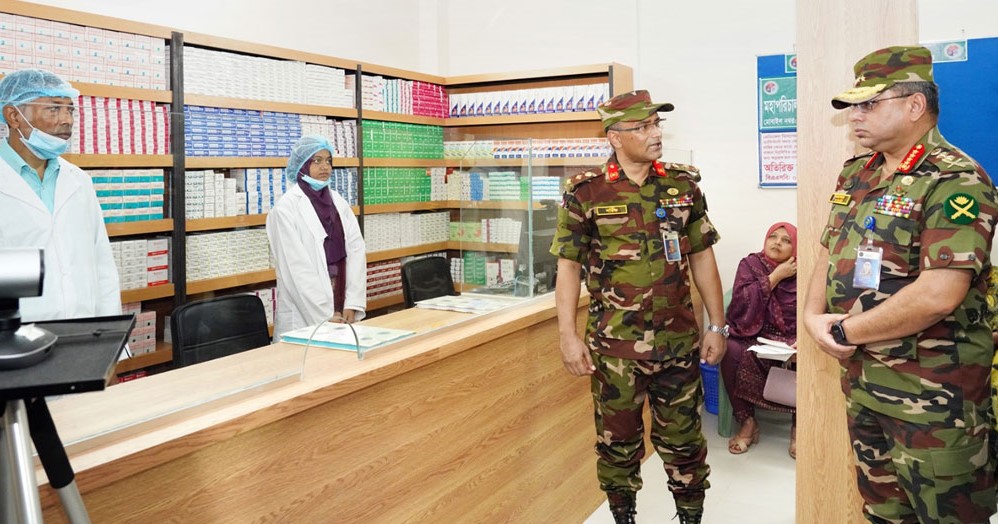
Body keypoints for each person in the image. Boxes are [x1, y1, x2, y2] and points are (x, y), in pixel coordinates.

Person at [803, 46, 997, 523]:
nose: (855, 116)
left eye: (869, 104)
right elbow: (829, 249)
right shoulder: (859, 171)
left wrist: (844, 331)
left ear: (915, 105)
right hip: (865, 384)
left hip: (935, 399)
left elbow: (938, 295)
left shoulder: (955, 179)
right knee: (884, 512)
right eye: (853, 106)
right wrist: (811, 316)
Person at [550, 90, 726, 524]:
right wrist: (568, 337)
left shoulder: (682, 186)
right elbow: (568, 267)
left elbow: (702, 256)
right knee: (618, 447)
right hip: (616, 350)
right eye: (642, 127)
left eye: (656, 124)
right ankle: (623, 516)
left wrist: (717, 326)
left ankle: (690, 516)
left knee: (685, 445)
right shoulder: (586, 192)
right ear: (615, 137)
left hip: (677, 344)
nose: (655, 133)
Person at [0, 69, 121, 322]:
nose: (67, 120)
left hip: (83, 331)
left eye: (70, 110)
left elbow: (102, 265)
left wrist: (110, 335)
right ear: (14, 116)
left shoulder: (79, 180)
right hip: (14, 336)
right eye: (54, 109)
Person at [267, 135, 367, 338]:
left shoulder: (338, 202)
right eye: (317, 161)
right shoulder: (285, 209)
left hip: (342, 303)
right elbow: (296, 270)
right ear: (302, 165)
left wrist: (352, 303)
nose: (325, 167)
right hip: (306, 315)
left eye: (328, 161)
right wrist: (325, 315)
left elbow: (356, 251)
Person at [721, 222, 797, 458]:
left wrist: (802, 339)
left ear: (795, 248)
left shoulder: (806, 271)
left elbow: (812, 309)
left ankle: (800, 428)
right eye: (773, 237)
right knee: (729, 349)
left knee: (812, 356)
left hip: (793, 339)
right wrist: (775, 277)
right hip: (754, 334)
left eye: (786, 240)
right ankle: (747, 422)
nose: (777, 243)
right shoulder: (750, 265)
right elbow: (739, 305)